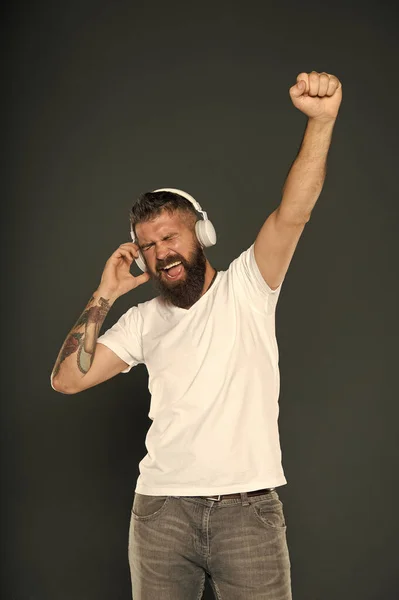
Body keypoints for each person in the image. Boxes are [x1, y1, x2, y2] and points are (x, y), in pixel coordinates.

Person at [51, 71, 342, 600]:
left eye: (171, 236)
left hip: (248, 512)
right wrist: (105, 293)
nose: (162, 251)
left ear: (199, 234)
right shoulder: (141, 320)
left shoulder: (249, 286)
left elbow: (294, 211)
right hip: (161, 512)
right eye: (148, 245)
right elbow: (68, 380)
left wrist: (321, 122)